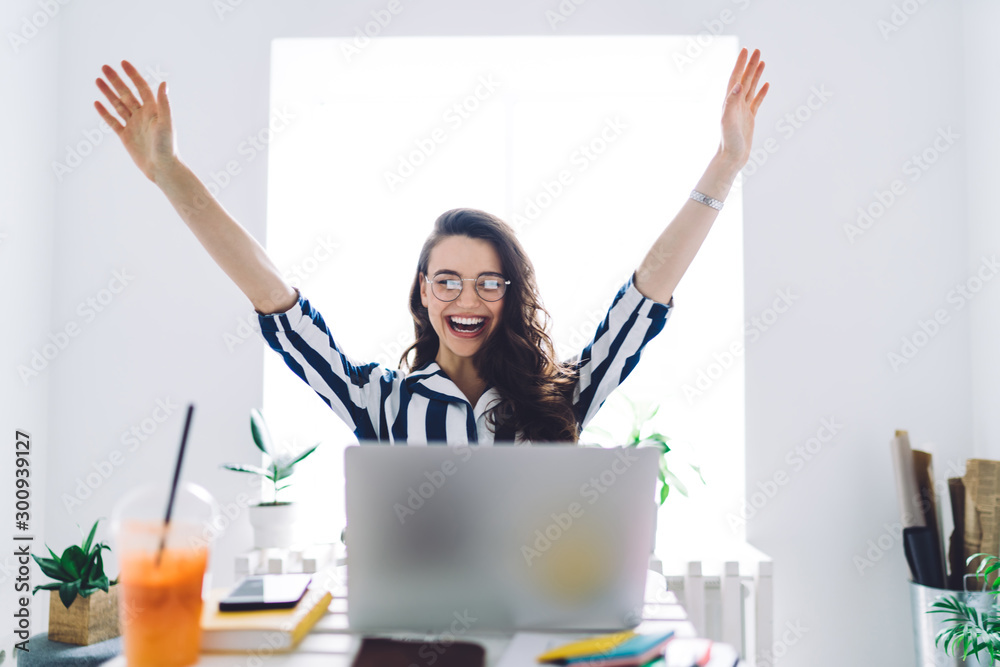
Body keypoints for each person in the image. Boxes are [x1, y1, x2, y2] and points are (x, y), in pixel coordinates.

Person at [94, 48, 769, 445]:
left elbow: (647, 290)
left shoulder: (561, 397)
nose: (467, 298)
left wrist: (726, 164)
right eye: (448, 279)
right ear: (424, 291)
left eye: (488, 282)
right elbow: (273, 297)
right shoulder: (380, 403)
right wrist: (171, 175)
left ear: (510, 294)